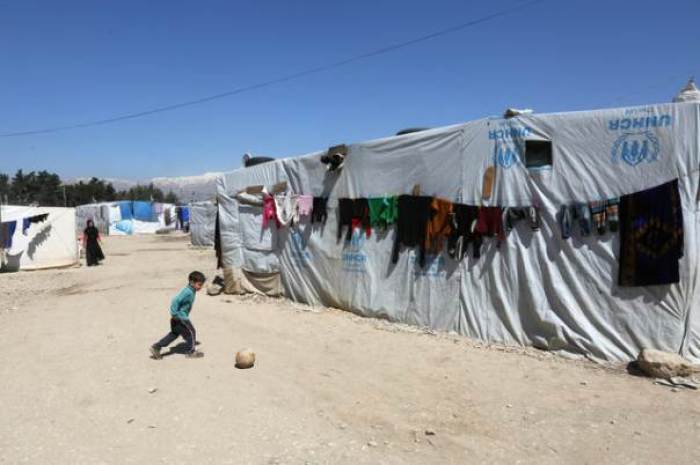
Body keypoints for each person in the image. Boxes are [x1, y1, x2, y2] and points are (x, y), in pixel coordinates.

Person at [150, 271, 206, 359]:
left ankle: (156, 347)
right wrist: (174, 314)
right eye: (199, 284)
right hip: (181, 318)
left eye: (201, 285)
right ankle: (191, 352)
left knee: (174, 334)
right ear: (191, 282)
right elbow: (175, 300)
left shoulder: (191, 290)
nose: (200, 287)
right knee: (191, 332)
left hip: (177, 318)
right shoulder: (187, 291)